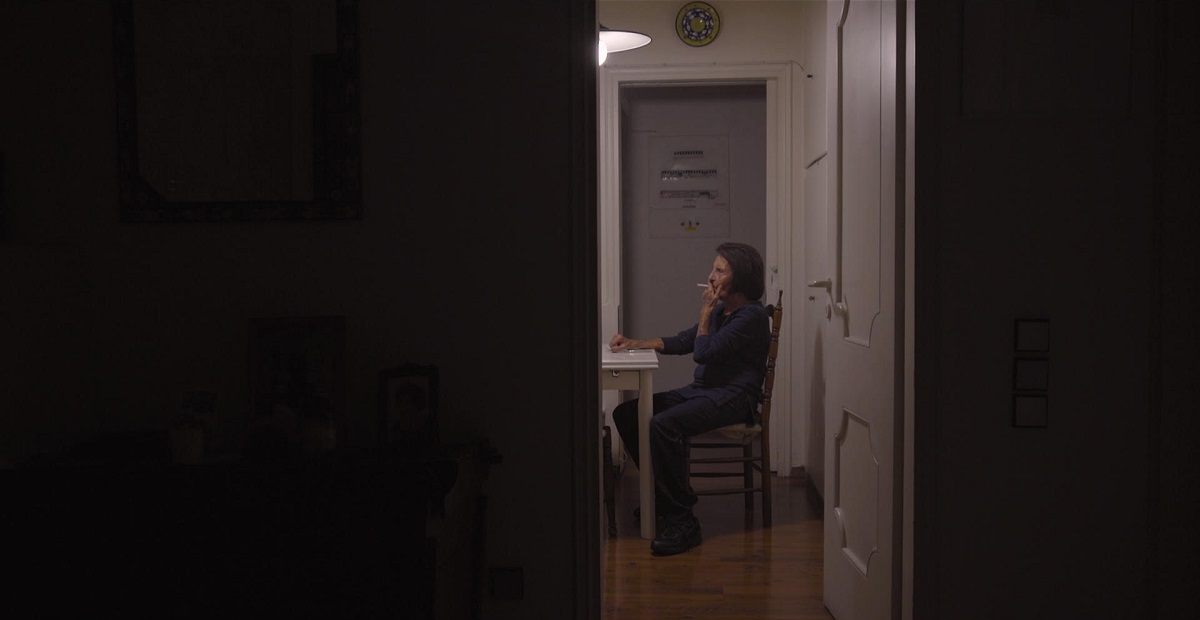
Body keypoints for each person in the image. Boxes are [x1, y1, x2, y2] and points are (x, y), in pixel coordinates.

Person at [610, 242, 770, 556]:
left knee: (663, 424)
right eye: (713, 269)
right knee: (627, 414)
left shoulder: (750, 317)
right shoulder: (725, 310)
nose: (711, 276)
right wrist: (635, 343)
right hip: (704, 392)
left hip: (734, 397)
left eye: (720, 270)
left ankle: (683, 521)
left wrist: (705, 313)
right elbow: (687, 340)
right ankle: (666, 495)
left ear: (740, 277)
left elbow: (703, 352)